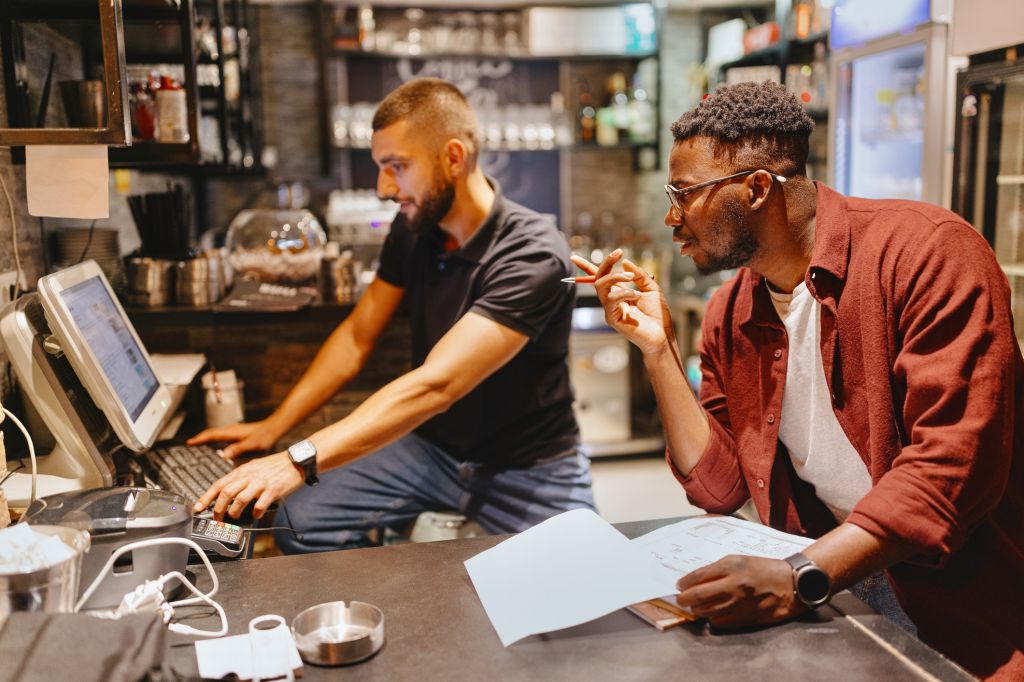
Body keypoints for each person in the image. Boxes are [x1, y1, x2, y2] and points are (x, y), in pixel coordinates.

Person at [574, 82, 1023, 680]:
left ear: (757, 188)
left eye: (684, 194)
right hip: (829, 576)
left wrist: (797, 575)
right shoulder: (731, 309)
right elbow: (720, 488)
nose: (671, 217)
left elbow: (947, 472)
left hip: (953, 597)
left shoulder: (929, 254)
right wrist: (657, 351)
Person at [191, 77, 595, 552]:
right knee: (301, 522)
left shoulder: (533, 253)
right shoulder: (414, 229)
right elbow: (357, 337)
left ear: (453, 157)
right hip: (432, 451)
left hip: (530, 467)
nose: (384, 188)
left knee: (588, 584)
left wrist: (297, 459)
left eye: (396, 167)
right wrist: (273, 428)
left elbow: (437, 385)